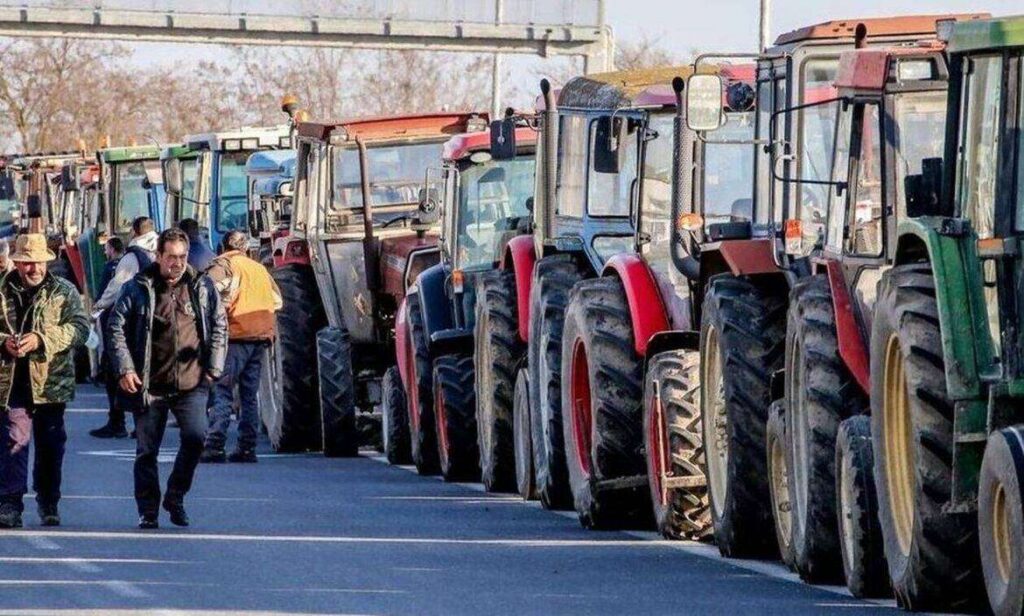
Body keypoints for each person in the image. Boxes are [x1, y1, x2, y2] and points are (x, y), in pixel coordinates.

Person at [107, 228, 227, 529]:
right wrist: (126, 369)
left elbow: (219, 324)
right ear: (158, 256)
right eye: (171, 257)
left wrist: (214, 365)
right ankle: (148, 510)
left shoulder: (201, 286)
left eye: (182, 257)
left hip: (192, 383)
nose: (177, 263)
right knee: (147, 451)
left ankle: (175, 496)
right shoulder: (138, 287)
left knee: (196, 438)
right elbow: (115, 327)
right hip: (150, 386)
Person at [0, 234, 89, 528]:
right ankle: (10, 504)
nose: (33, 269)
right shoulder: (1, 290)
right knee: (15, 440)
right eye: (27, 263)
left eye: (38, 262)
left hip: (51, 383)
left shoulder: (64, 291)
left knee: (51, 445)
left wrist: (41, 339)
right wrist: (5, 343)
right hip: (11, 382)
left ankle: (48, 500)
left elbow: (79, 329)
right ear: (17, 262)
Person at [201, 230, 281, 464]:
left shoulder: (225, 266)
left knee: (222, 391)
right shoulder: (259, 269)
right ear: (245, 247)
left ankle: (215, 444)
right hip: (260, 337)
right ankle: (247, 447)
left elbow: (206, 295)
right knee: (249, 396)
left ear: (223, 246)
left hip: (234, 337)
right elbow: (277, 301)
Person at [89, 236, 129, 439]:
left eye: (106, 249)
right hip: (130, 327)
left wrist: (94, 310)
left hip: (111, 325)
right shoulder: (137, 262)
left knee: (112, 374)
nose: (105, 252)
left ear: (113, 249)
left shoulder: (112, 268)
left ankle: (117, 422)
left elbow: (105, 293)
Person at [92, 217, 157, 315]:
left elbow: (117, 285)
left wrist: (99, 305)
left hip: (139, 311)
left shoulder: (132, 257)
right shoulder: (162, 250)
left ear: (134, 232)